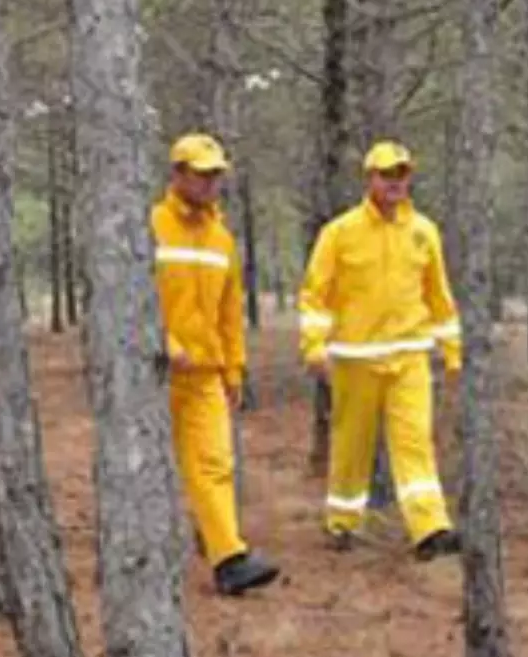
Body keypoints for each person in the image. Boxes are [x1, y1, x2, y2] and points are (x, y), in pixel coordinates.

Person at [299, 140, 463, 560]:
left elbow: (439, 297)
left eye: (402, 174)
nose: (396, 182)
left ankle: (430, 529)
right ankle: (342, 523)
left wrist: (451, 349)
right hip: (356, 358)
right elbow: (315, 294)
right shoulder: (340, 233)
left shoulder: (424, 232)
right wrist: (314, 346)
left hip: (410, 356)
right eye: (387, 174)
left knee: (415, 443)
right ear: (369, 178)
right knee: (351, 445)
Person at [151, 133, 280, 596]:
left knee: (214, 464)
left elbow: (229, 311)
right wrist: (161, 342)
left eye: (216, 174)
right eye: (202, 173)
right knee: (145, 470)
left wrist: (233, 369)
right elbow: (127, 297)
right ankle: (137, 555)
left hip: (204, 374)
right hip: (152, 376)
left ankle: (228, 558)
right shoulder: (150, 226)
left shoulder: (222, 238)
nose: (211, 182)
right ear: (178, 173)